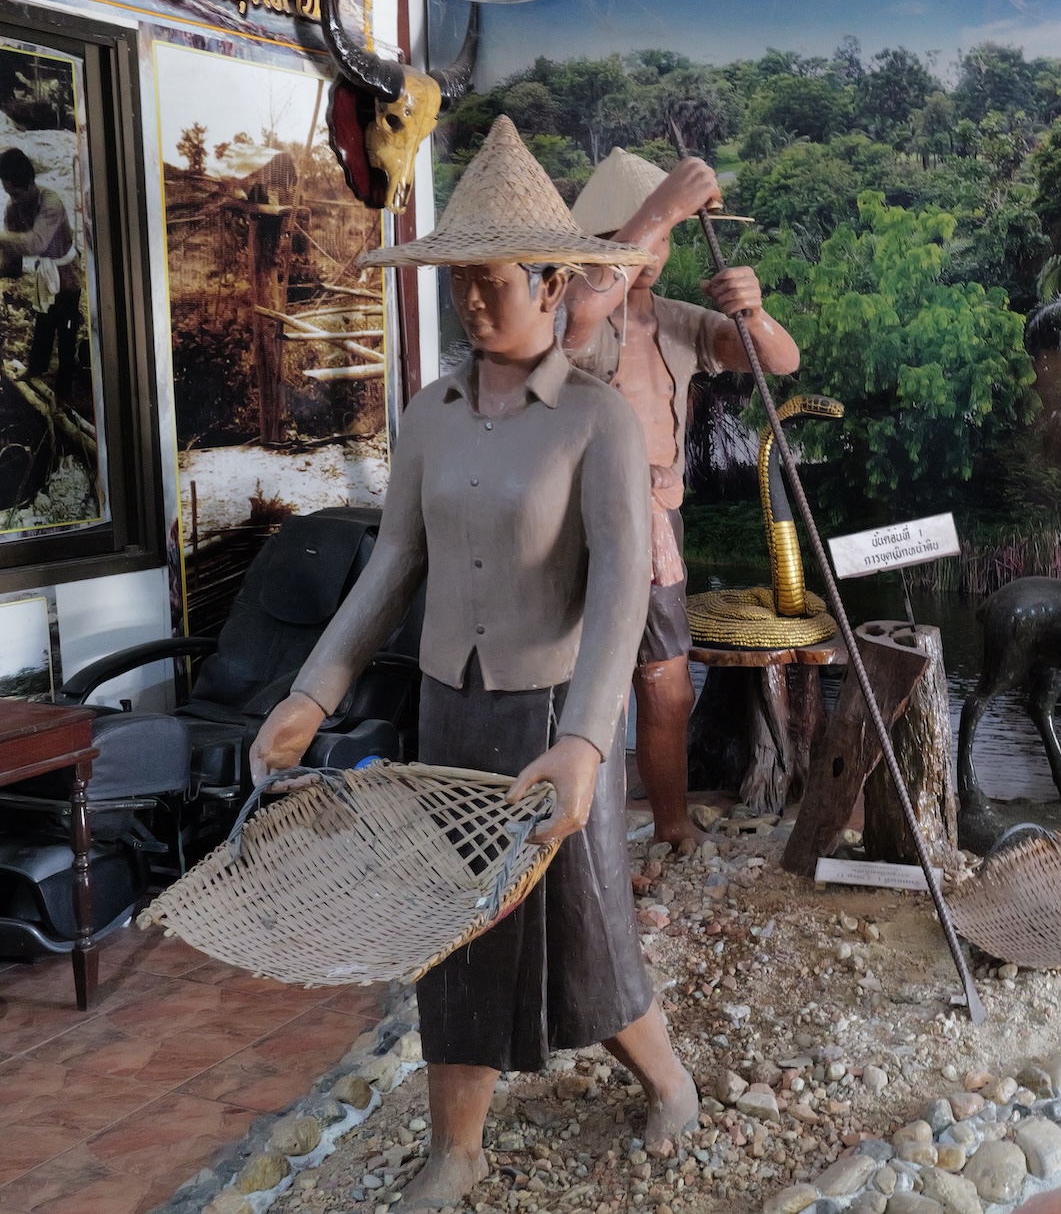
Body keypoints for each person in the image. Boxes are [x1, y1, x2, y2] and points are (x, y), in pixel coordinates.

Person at [249, 118, 698, 1211]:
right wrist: (313, 692)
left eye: (493, 281)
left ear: (553, 284)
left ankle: (669, 1079)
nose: (473, 302)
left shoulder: (595, 422)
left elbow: (618, 591)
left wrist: (586, 741)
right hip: (452, 708)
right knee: (456, 927)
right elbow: (391, 565)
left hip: (554, 716)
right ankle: (457, 1146)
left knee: (585, 916)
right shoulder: (430, 416)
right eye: (459, 282)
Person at [562, 147, 801, 852]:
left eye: (663, 237)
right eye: (632, 236)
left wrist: (751, 310)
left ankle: (669, 821)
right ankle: (583, 829)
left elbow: (778, 360)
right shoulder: (567, 307)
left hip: (658, 523)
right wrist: (660, 210)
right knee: (583, 681)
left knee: (665, 681)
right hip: (574, 523)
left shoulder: (677, 321)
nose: (650, 252)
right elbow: (578, 315)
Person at [0, 147, 83, 401]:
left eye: (16, 193)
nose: (13, 199)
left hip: (67, 276)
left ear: (29, 184)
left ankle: (63, 390)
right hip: (45, 276)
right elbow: (9, 250)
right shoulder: (13, 208)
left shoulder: (51, 204)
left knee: (67, 331)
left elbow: (36, 243)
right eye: (9, 194)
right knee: (43, 323)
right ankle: (36, 369)